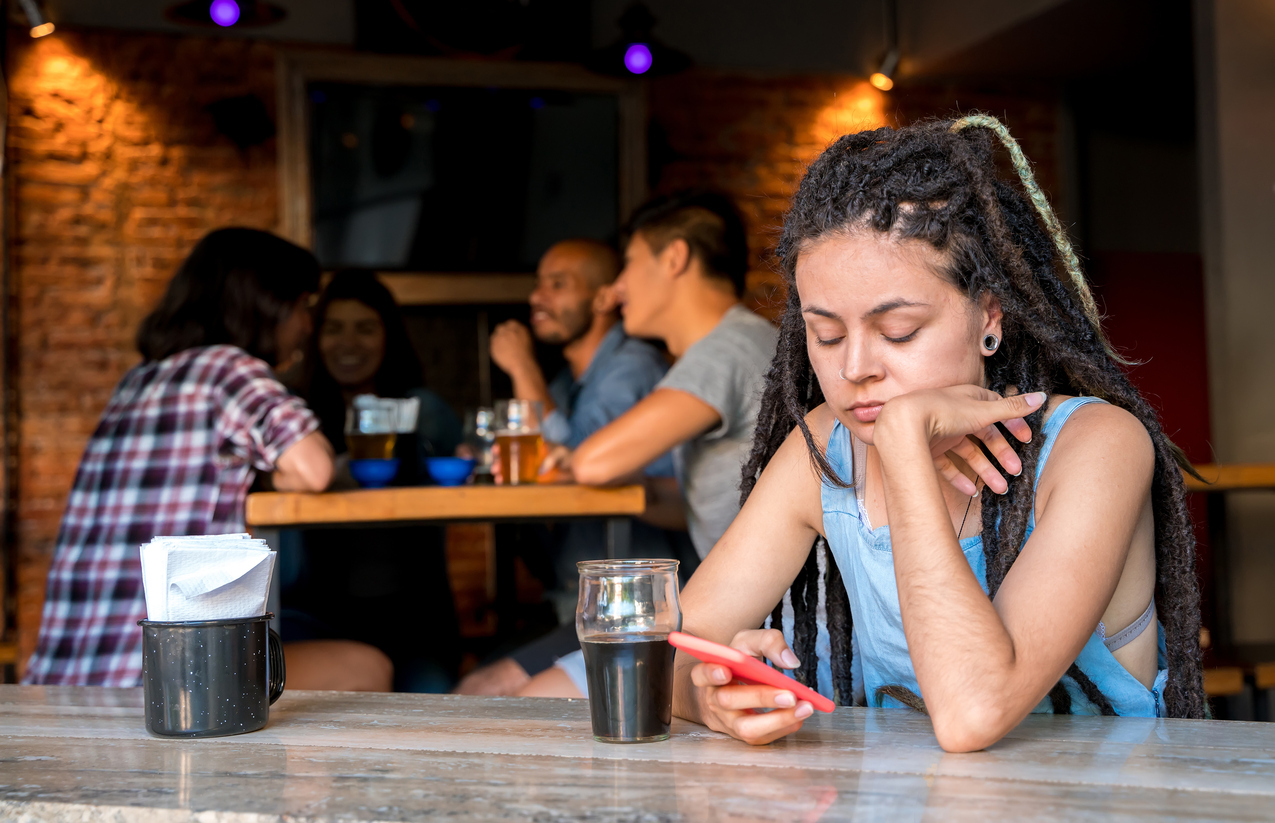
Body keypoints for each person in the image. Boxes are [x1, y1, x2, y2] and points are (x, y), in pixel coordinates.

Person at [666, 115, 1205, 751]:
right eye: (827, 334)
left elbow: (973, 711)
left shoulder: (1097, 447)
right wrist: (711, 695)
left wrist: (903, 449)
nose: (854, 367)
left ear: (989, 316)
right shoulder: (825, 453)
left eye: (898, 332)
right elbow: (669, 653)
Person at [22, 228, 389, 690]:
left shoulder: (139, 381)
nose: (307, 326)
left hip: (65, 678)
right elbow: (313, 468)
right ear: (267, 305)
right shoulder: (228, 370)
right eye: (303, 306)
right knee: (368, 668)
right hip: (156, 675)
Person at [514, 191, 779, 698]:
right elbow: (712, 505)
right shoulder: (742, 342)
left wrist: (580, 459)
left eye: (629, 264)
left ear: (674, 258)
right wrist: (648, 492)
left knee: (533, 700)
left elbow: (594, 462)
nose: (616, 288)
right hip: (750, 609)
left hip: (756, 621)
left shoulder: (724, 348)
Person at [455, 239, 689, 696]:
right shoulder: (571, 380)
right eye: (538, 284)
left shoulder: (629, 370)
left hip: (632, 603)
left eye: (557, 285)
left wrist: (522, 368)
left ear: (604, 298)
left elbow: (585, 468)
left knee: (481, 690)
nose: (536, 298)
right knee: (470, 677)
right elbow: (545, 460)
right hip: (580, 601)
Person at [283, 270, 464, 692]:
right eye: (334, 329)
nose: (349, 343)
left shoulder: (424, 410)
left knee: (428, 716)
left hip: (414, 619)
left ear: (389, 337)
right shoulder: (294, 418)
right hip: (315, 616)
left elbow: (469, 475)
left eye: (365, 328)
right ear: (315, 336)